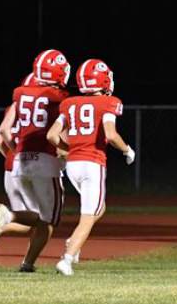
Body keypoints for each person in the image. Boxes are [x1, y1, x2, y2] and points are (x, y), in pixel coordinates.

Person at [47, 59, 135, 276]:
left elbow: (51, 135)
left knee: (99, 207)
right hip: (92, 164)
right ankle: (67, 259)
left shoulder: (69, 103)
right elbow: (111, 135)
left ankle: (74, 240)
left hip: (72, 165)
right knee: (87, 217)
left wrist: (70, 148)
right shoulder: (108, 102)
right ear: (103, 80)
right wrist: (127, 150)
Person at [0, 50, 71, 272]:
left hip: (20, 162)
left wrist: (17, 152)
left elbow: (4, 132)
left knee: (40, 217)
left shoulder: (19, 94)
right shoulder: (61, 97)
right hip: (45, 161)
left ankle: (27, 264)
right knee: (49, 219)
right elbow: (60, 134)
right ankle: (12, 219)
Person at [0, 74, 37, 257]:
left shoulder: (11, 109)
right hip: (32, 167)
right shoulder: (43, 110)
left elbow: (0, 142)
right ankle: (31, 260)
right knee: (41, 217)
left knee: (25, 224)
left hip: (10, 169)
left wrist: (13, 157)